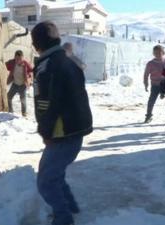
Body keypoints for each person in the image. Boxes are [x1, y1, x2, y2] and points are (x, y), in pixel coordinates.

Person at [31, 21, 93, 225]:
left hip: (61, 131)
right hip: (74, 128)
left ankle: (64, 218)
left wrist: (45, 131)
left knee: (46, 181)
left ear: (36, 44)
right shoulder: (67, 60)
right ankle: (70, 207)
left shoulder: (48, 65)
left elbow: (48, 103)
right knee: (55, 174)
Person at [143, 45, 165, 123]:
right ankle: (148, 116)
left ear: (163, 52)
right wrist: (146, 84)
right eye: (155, 52)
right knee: (151, 100)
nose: (157, 54)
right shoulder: (150, 63)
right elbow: (146, 74)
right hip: (155, 85)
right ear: (153, 53)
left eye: (159, 52)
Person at [6, 50, 33, 117]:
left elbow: (31, 70)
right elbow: (5, 64)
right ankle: (10, 111)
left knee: (23, 100)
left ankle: (24, 114)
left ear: (22, 58)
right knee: (9, 96)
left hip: (22, 85)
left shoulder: (25, 64)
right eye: (17, 59)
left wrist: (28, 76)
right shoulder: (12, 62)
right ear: (15, 57)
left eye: (20, 59)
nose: (18, 60)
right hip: (15, 84)